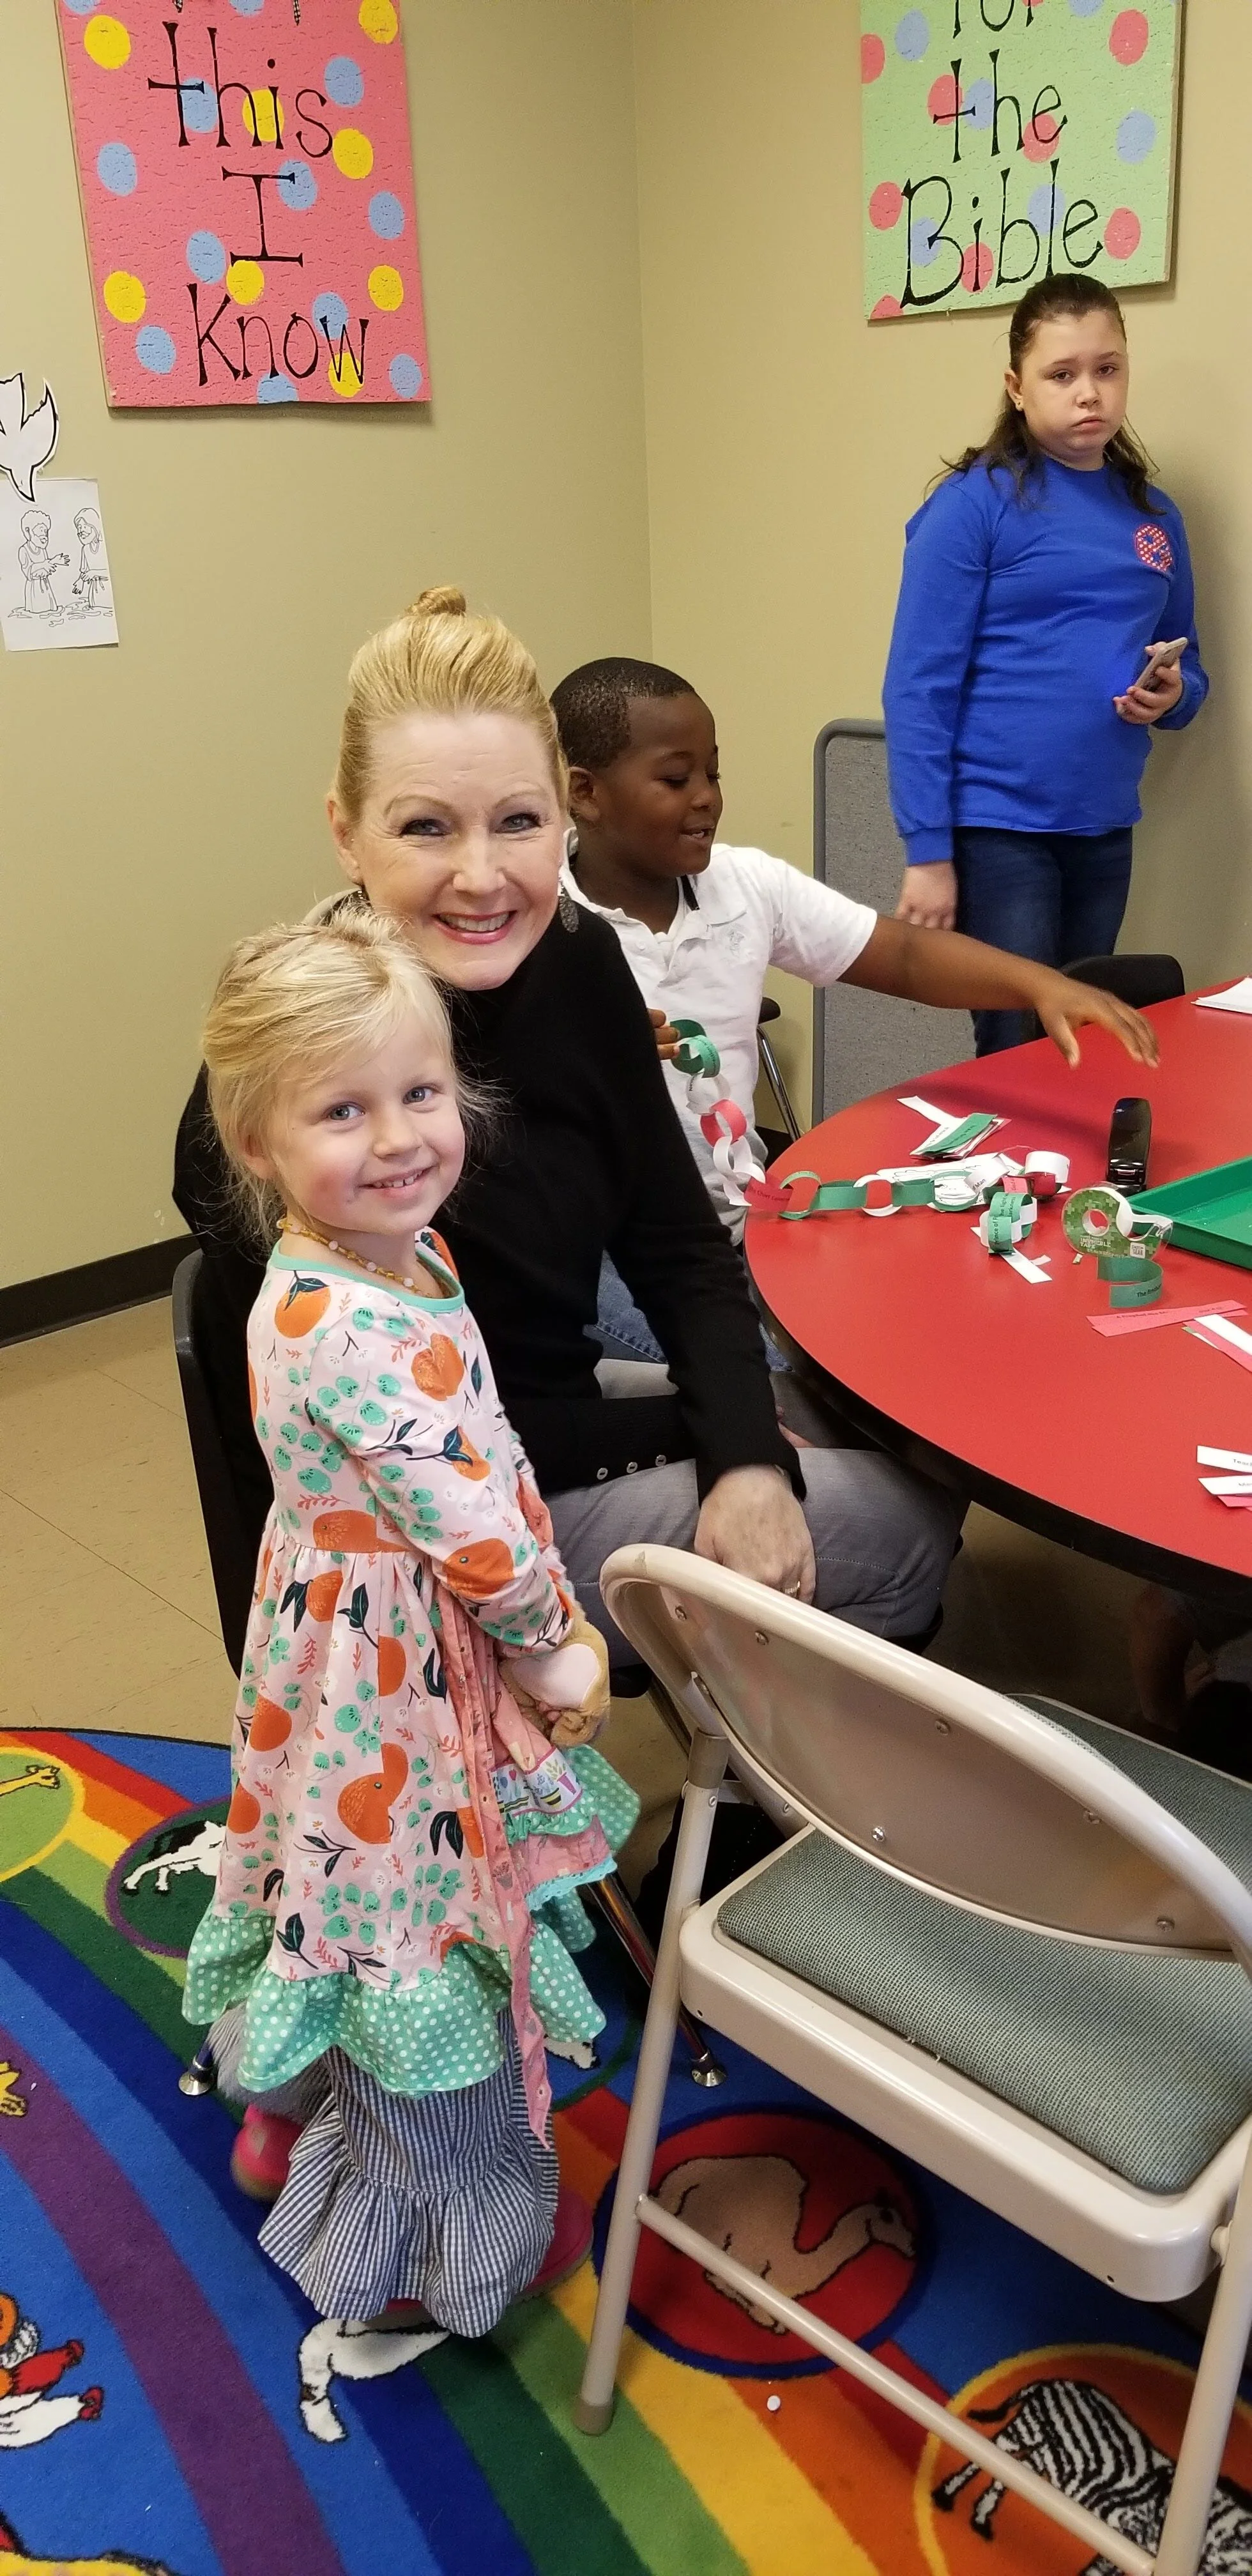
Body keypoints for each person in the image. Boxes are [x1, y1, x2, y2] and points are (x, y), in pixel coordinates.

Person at [174, 586, 961, 1668]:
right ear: (346, 834)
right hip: (427, 1524)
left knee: (864, 1429)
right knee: (898, 1527)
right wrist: (718, 1442)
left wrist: (744, 1453)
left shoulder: (582, 962)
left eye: (518, 821)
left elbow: (677, 1242)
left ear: (565, 815)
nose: (483, 876)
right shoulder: (311, 1075)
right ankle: (757, 1803)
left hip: (547, 1405)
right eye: (424, 828)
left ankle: (744, 1730)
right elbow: (436, 1432)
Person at [183, 910, 638, 2329]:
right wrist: (556, 1641)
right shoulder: (338, 1321)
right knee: (410, 1909)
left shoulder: (389, 1258)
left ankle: (295, 2094)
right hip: (400, 1667)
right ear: (255, 1146)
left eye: (420, 1094)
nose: (397, 1139)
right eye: (342, 1110)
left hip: (342, 1643)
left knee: (325, 1868)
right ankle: (430, 2230)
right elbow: (466, 1527)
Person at [549, 655, 1160, 1363]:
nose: (707, 798)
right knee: (763, 1378)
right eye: (675, 779)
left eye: (713, 774)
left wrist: (1040, 986)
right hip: (600, 1255)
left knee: (880, 1343)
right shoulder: (535, 920)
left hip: (729, 1222)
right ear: (587, 794)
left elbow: (899, 954)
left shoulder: (745, 885)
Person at [883, 272, 1208, 1054]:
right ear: (1016, 387)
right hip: (999, 829)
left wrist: (1173, 692)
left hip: (1103, 825)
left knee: (1084, 1036)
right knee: (1015, 1039)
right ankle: (1007, 1176)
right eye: (1061, 375)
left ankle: (1068, 1181)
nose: (1087, 393)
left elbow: (1191, 666)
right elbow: (916, 689)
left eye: (1107, 368)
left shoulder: (1154, 516)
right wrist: (928, 852)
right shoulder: (973, 505)